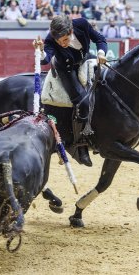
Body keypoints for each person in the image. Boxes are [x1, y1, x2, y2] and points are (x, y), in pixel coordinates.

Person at [32, 15, 107, 166]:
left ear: (71, 30)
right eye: (59, 41)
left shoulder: (82, 24)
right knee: (83, 102)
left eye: (65, 40)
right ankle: (80, 145)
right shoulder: (51, 39)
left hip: (84, 57)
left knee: (106, 88)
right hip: (65, 69)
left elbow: (100, 39)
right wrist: (40, 50)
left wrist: (101, 53)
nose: (62, 44)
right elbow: (46, 59)